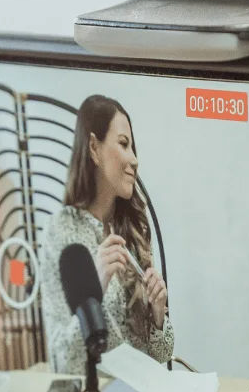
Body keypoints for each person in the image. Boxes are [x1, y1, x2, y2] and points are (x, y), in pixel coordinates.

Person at [39, 94, 174, 375]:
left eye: (133, 148)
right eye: (124, 144)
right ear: (93, 148)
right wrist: (94, 291)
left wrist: (158, 314)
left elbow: (161, 356)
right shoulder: (61, 233)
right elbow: (62, 362)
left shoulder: (133, 229)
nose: (134, 160)